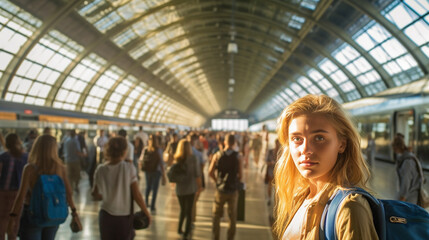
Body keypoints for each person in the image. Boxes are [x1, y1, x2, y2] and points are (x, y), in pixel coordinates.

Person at [274, 94, 377, 239]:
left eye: (319, 138)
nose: (305, 149)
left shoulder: (350, 208)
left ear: (341, 144)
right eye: (297, 139)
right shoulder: (301, 198)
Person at [7, 135, 80, 240]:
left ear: (36, 148)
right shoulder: (60, 168)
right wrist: (74, 212)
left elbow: (20, 196)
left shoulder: (29, 169)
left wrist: (12, 218)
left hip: (33, 215)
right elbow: (68, 193)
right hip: (53, 214)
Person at [92, 137, 150, 240]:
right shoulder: (128, 168)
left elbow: (95, 194)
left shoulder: (100, 169)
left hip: (105, 216)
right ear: (124, 151)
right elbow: (136, 194)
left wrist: (108, 194)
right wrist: (146, 212)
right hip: (123, 218)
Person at [209, 134, 242, 240]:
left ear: (225, 142)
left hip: (220, 190)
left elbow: (210, 172)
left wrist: (217, 182)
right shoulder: (238, 156)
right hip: (232, 190)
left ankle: (216, 237)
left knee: (216, 215)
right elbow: (240, 175)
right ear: (234, 143)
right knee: (232, 217)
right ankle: (230, 237)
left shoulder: (217, 155)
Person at [0, 133, 28, 240]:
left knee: (2, 219)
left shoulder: (3, 157)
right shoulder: (25, 157)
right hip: (19, 194)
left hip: (3, 192)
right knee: (15, 220)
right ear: (18, 142)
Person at [173, 139, 202, 239]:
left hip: (180, 189)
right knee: (189, 211)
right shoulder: (193, 158)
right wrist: (200, 186)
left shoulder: (177, 158)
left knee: (182, 209)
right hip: (191, 188)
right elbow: (197, 174)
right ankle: (187, 232)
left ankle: (179, 228)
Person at [392, 134, 421, 204]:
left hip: (410, 197)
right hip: (410, 195)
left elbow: (406, 180)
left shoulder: (407, 161)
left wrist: (402, 197)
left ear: (396, 147)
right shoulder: (407, 157)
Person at [142, 134, 166, 213]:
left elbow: (141, 160)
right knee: (155, 189)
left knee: (148, 187)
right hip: (156, 171)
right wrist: (163, 174)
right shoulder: (158, 150)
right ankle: (152, 206)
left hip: (148, 171)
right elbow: (161, 163)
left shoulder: (146, 149)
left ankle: (146, 203)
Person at [265, 138, 280, 206]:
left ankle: (276, 201)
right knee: (270, 186)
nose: (278, 145)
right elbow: (266, 162)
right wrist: (271, 163)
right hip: (271, 171)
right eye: (277, 144)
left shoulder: (281, 153)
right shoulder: (271, 151)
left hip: (278, 173)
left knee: (277, 187)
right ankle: (269, 198)